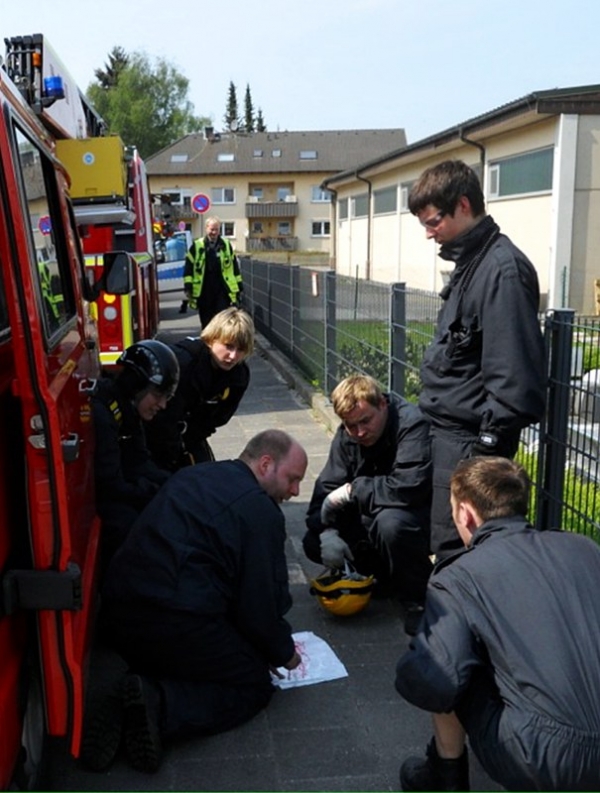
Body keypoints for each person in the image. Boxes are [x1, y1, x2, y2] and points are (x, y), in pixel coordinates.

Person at [82, 430, 307, 775]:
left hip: (118, 615)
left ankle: (139, 687)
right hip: (176, 619)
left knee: (201, 644)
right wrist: (282, 652)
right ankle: (159, 705)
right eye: (293, 480)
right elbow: (259, 606)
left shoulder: (194, 474)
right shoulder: (260, 512)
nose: (295, 492)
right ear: (265, 464)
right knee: (253, 684)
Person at [395, 456, 600, 792]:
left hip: (542, 758)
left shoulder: (458, 577)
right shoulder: (585, 548)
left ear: (465, 513)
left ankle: (447, 779)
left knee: (447, 660)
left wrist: (414, 660)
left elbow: (434, 683)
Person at [408, 159, 545, 561]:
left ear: (463, 205)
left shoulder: (501, 271)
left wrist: (483, 452)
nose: (430, 234)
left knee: (457, 549)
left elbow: (514, 376)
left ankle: (454, 623)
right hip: (448, 432)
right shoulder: (474, 262)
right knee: (442, 542)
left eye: (433, 222)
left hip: (468, 442)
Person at [303, 374, 432, 633]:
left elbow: (407, 488)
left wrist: (354, 490)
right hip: (368, 515)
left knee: (390, 524)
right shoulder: (347, 436)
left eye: (365, 421)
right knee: (312, 542)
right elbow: (325, 492)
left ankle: (418, 599)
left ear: (382, 404)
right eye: (351, 426)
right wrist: (327, 531)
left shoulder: (412, 425)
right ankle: (378, 578)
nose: (359, 432)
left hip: (411, 515)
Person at [91, 339, 179, 567]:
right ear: (136, 386)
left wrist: (177, 484)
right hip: (101, 500)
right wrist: (157, 492)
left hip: (114, 490)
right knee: (131, 526)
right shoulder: (104, 414)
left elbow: (139, 461)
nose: (162, 405)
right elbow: (111, 486)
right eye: (158, 395)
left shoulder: (125, 411)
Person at [145, 307, 254, 469]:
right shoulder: (182, 362)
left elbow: (218, 418)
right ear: (212, 339)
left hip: (191, 436)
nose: (233, 356)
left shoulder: (238, 376)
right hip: (153, 434)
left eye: (240, 350)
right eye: (228, 346)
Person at [183, 216, 243, 328]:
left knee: (222, 320)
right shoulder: (197, 246)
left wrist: (239, 286)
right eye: (212, 229)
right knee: (206, 322)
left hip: (222, 289)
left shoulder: (226, 245)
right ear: (206, 229)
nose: (214, 232)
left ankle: (219, 343)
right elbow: (188, 267)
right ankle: (207, 344)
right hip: (204, 289)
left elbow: (234, 266)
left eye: (217, 229)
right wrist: (188, 286)